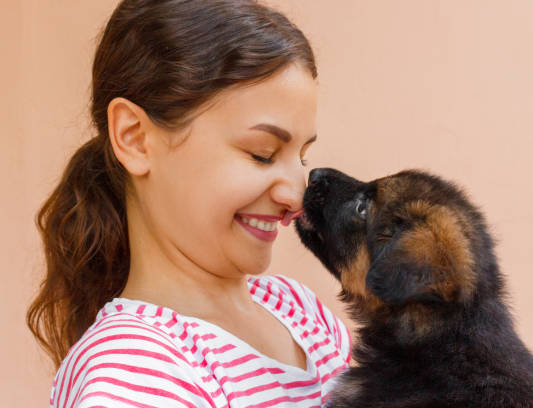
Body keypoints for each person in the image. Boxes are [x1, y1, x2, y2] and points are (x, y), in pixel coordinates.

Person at [26, 1, 352, 407]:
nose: (295, 196)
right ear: (135, 138)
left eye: (301, 157)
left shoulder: (303, 314)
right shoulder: (132, 375)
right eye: (262, 153)